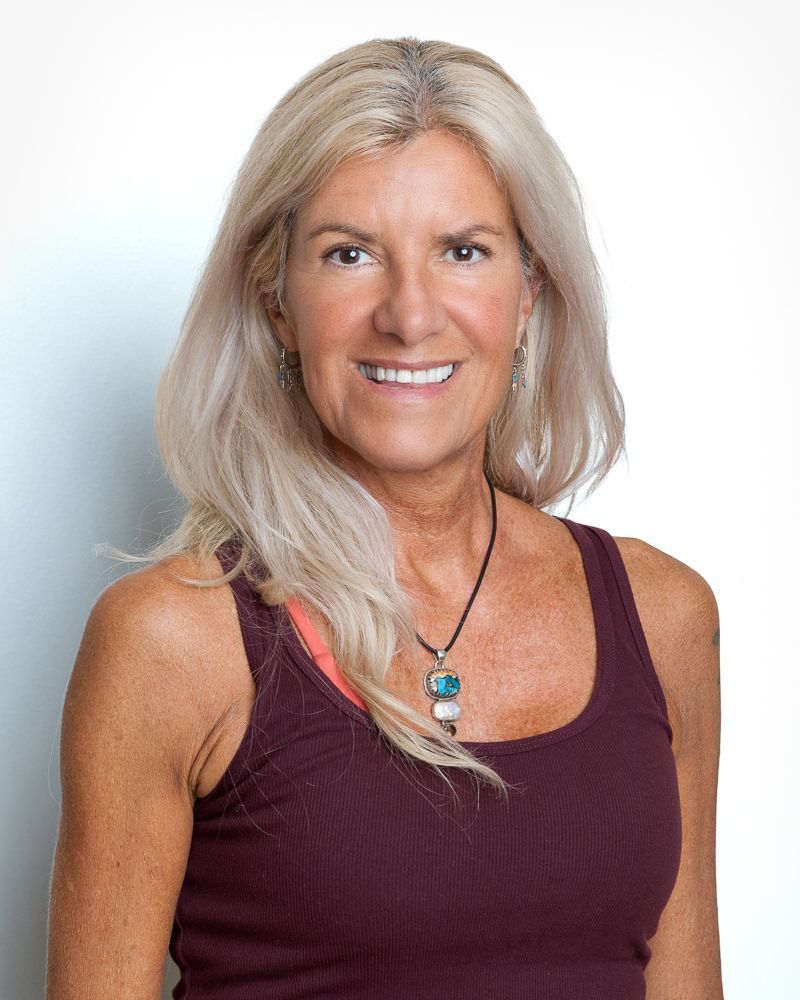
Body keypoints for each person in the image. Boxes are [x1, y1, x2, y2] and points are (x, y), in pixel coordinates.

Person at [46, 36, 723, 1000]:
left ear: (528, 291)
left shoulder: (663, 617)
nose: (410, 316)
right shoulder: (172, 643)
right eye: (350, 253)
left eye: (463, 251)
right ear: (278, 302)